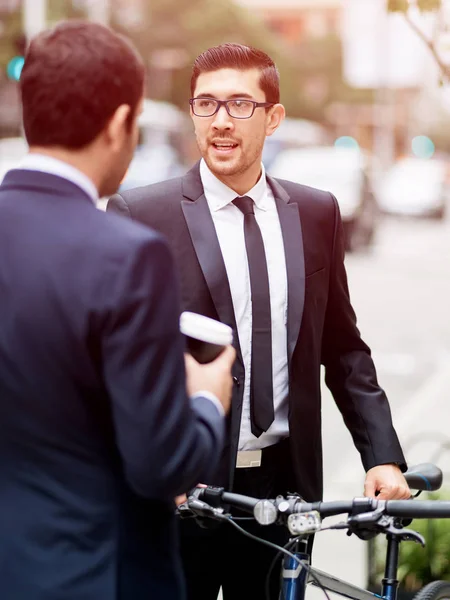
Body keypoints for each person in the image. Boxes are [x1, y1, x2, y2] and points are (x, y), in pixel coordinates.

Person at [107, 43, 410, 600]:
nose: (221, 121)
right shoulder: (140, 214)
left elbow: (343, 347)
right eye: (206, 104)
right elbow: (116, 366)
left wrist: (383, 456)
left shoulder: (317, 213)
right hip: (182, 490)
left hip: (284, 493)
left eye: (240, 105)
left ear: (273, 118)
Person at [0, 21, 236, 600]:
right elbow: (163, 463)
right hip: (91, 574)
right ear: (120, 124)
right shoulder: (126, 257)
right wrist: (208, 396)